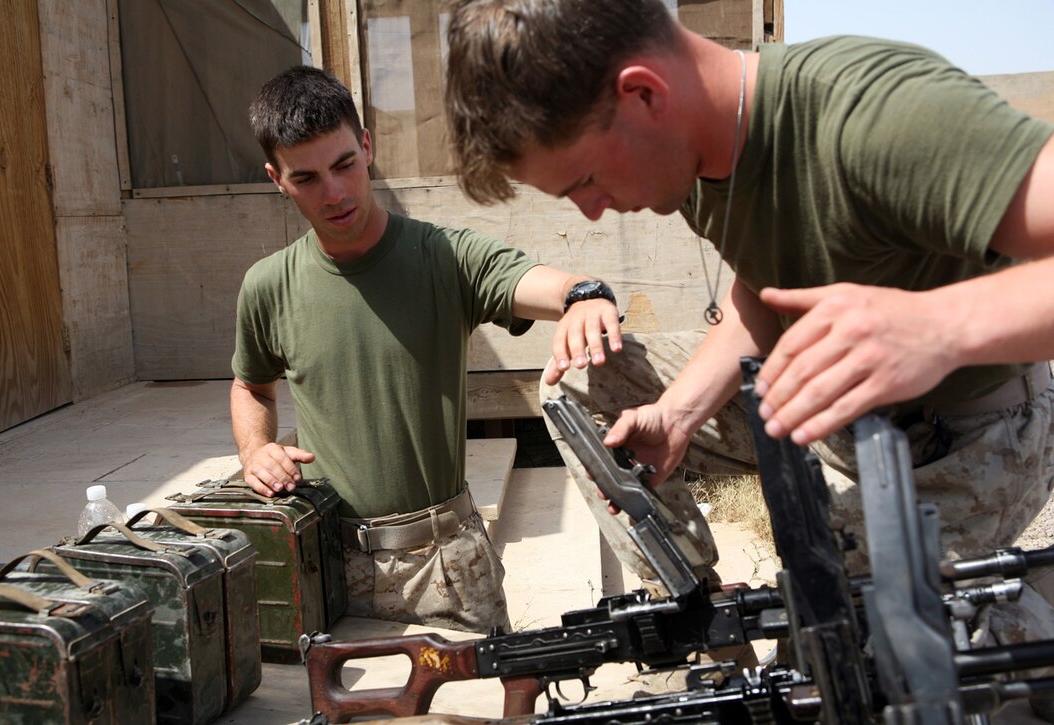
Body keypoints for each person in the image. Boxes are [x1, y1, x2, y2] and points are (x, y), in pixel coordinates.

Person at [443, 0, 1054, 716]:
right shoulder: (693, 157)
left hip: (965, 434)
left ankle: (1008, 623)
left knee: (842, 674)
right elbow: (765, 288)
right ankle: (706, 624)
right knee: (583, 376)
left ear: (643, 94)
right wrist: (678, 412)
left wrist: (937, 327)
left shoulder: (870, 114)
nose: (591, 212)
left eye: (583, 182)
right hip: (837, 409)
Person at [230, 65, 625, 634]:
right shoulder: (268, 285)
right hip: (326, 565)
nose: (335, 192)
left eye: (344, 164)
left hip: (446, 561)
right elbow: (250, 384)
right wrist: (255, 450)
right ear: (277, 178)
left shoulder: (443, 257)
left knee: (492, 705)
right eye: (307, 178)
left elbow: (532, 281)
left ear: (366, 148)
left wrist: (582, 294)